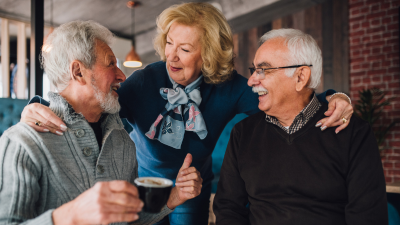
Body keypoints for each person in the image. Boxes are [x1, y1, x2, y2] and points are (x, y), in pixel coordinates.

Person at [21, 3, 354, 225]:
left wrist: (333, 97)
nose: (171, 56)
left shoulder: (230, 87)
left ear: (207, 55)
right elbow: (88, 103)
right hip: (145, 183)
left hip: (192, 186)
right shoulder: (142, 81)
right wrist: (38, 105)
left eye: (185, 48)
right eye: (169, 42)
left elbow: (283, 100)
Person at [0, 20, 202, 225]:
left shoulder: (122, 141)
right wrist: (71, 215)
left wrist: (176, 195)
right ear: (78, 72)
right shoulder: (21, 142)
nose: (122, 76)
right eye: (110, 63)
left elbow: (128, 216)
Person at [213, 28, 388, 225]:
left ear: (300, 77)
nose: (252, 81)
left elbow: (368, 217)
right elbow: (228, 208)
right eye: (254, 70)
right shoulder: (243, 133)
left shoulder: (353, 132)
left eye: (264, 69)